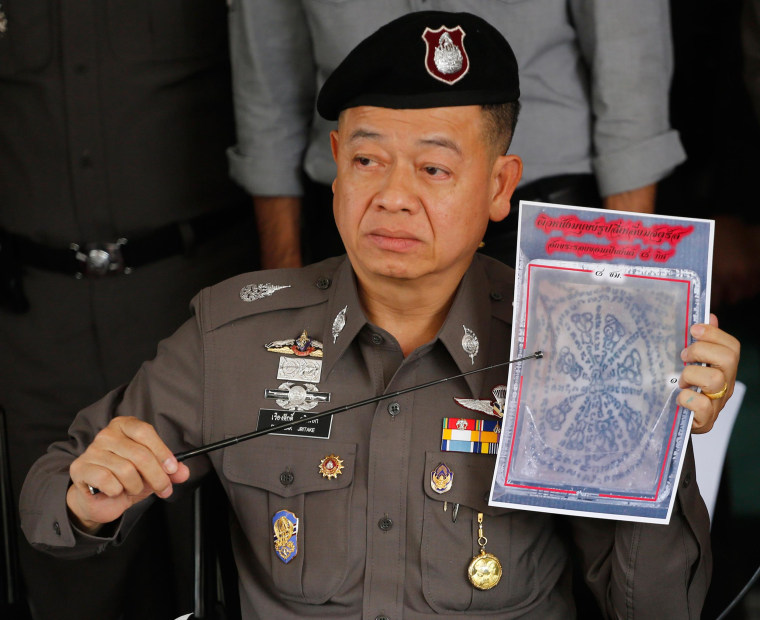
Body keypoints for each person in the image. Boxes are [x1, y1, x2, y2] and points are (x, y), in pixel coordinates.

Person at [20, 12, 739, 619]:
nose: (393, 197)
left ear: (498, 186)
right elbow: (52, 499)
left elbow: (653, 607)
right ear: (335, 163)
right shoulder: (234, 337)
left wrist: (656, 442)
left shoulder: (567, 341)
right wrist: (89, 498)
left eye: (433, 169)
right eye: (367, 162)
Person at [0, 1, 256, 618]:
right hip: (36, 318)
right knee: (67, 558)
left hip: (199, 296)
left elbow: (278, 97)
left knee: (226, 561)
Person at [228, 0, 684, 268]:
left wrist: (629, 278)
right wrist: (283, 283)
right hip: (357, 215)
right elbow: (268, 94)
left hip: (544, 223)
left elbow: (632, 86)